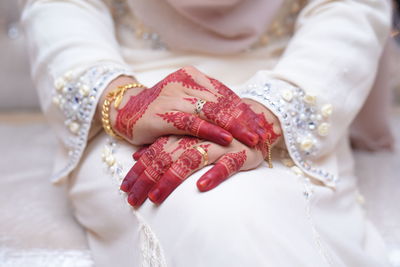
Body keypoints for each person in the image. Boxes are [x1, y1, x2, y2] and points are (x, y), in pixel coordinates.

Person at [21, 0, 392, 266]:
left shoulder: (280, 106)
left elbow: (350, 10)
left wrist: (265, 119)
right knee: (193, 200)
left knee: (249, 202)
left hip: (292, 86)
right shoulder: (127, 102)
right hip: (139, 96)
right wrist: (122, 101)